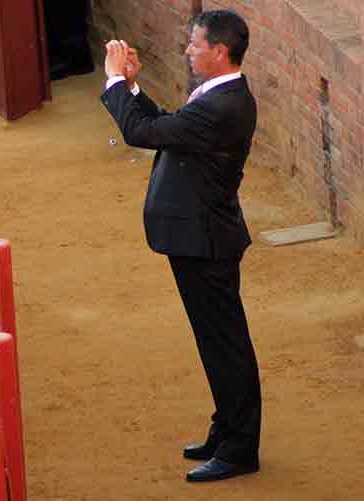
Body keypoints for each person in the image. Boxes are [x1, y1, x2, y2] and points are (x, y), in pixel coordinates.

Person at [100, 10, 261, 482]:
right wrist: (130, 88)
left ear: (219, 51)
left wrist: (113, 82)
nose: (188, 51)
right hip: (203, 236)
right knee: (216, 341)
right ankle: (227, 429)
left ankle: (239, 448)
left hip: (205, 240)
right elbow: (168, 127)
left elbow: (143, 133)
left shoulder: (221, 105)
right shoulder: (220, 98)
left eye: (194, 45)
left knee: (224, 344)